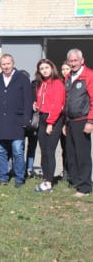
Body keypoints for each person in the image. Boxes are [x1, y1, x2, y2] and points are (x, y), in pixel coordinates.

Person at [0, 54, 32, 188]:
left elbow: (28, 100)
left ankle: (19, 178)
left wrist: (26, 119)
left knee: (17, 150)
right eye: (3, 64)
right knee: (1, 151)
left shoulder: (22, 79)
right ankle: (3, 177)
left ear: (13, 63)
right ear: (0, 66)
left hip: (17, 121)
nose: (6, 66)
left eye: (8, 63)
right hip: (0, 120)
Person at [33, 59, 66, 192]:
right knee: (43, 150)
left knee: (50, 151)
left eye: (47, 67)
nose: (44, 70)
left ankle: (48, 182)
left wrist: (50, 123)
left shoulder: (57, 84)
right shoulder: (42, 84)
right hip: (42, 117)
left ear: (52, 68)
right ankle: (46, 177)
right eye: (42, 68)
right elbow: (43, 100)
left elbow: (57, 105)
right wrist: (37, 105)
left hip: (53, 119)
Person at [64, 48, 93, 197]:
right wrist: (64, 122)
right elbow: (67, 100)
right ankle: (75, 181)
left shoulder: (89, 76)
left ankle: (85, 187)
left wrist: (90, 121)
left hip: (83, 121)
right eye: (71, 61)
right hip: (70, 121)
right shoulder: (68, 76)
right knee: (71, 153)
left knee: (82, 155)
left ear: (82, 61)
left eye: (76, 60)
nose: (73, 63)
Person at [60, 61, 71, 182]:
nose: (64, 71)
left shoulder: (73, 83)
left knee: (70, 148)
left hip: (70, 120)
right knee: (64, 148)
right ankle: (65, 172)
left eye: (66, 69)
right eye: (63, 69)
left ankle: (72, 172)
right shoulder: (61, 83)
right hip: (61, 119)